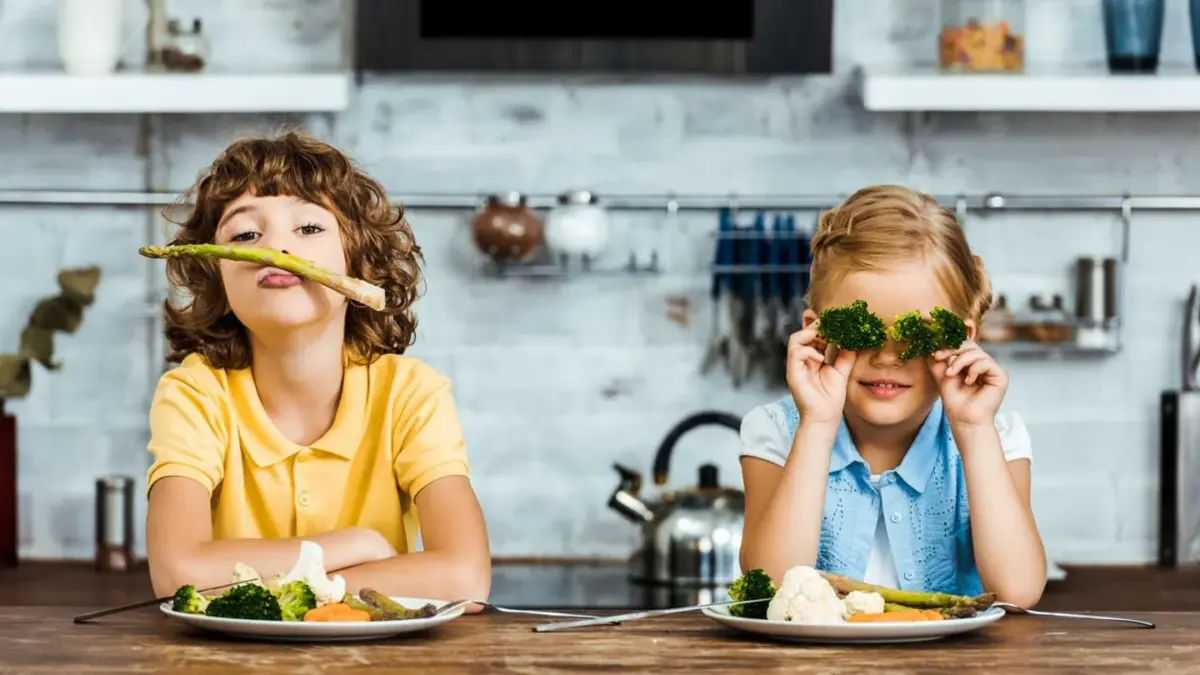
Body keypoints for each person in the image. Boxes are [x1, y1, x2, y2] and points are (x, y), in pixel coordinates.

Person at [143, 129, 491, 604]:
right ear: (217, 280)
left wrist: (291, 580)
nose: (276, 247)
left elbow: (465, 580)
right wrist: (355, 547)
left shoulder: (411, 394)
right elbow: (177, 574)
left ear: (359, 264)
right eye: (246, 234)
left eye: (308, 228)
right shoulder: (195, 394)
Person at [737, 185, 1046, 607]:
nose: (887, 357)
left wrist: (973, 430)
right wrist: (818, 423)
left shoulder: (998, 436)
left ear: (963, 340)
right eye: (857, 332)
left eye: (918, 335)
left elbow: (1018, 593)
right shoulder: (774, 431)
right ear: (815, 332)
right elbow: (769, 588)